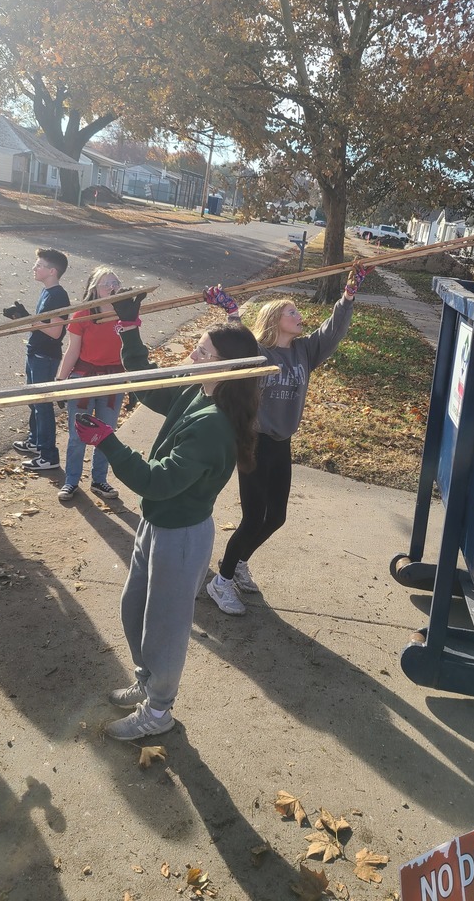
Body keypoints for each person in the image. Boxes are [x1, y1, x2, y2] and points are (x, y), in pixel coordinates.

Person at [73, 296, 260, 740]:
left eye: (201, 353)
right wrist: (130, 327)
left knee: (167, 627)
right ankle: (147, 680)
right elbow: (145, 386)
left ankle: (159, 710)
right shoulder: (198, 391)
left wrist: (109, 443)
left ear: (226, 369)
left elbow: (158, 481)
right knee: (134, 606)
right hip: (156, 524)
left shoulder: (215, 424)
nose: (190, 356)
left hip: (182, 535)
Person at [203, 263, 370, 615]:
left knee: (276, 517)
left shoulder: (304, 352)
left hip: (281, 443)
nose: (300, 315)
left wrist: (348, 296)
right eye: (292, 312)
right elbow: (238, 341)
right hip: (253, 442)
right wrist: (230, 310)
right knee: (252, 517)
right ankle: (222, 581)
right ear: (275, 319)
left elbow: (333, 331)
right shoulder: (260, 355)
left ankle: (240, 561)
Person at [55, 265, 125, 503]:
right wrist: (61, 381)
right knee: (78, 434)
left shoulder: (126, 312)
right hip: (85, 377)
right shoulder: (83, 314)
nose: (114, 287)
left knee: (106, 433)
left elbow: (132, 348)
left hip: (113, 378)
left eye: (116, 282)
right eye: (108, 283)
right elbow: (72, 350)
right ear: (95, 289)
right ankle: (71, 481)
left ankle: (99, 480)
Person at [10, 248, 70, 471]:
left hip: (45, 357)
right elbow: (43, 325)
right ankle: (36, 442)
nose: (34, 268)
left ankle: (49, 455)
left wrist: (28, 319)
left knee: (43, 406)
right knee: (34, 402)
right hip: (35, 353)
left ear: (52, 271)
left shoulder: (58, 296)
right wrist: (25, 318)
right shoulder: (47, 291)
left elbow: (55, 332)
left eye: (39, 265)